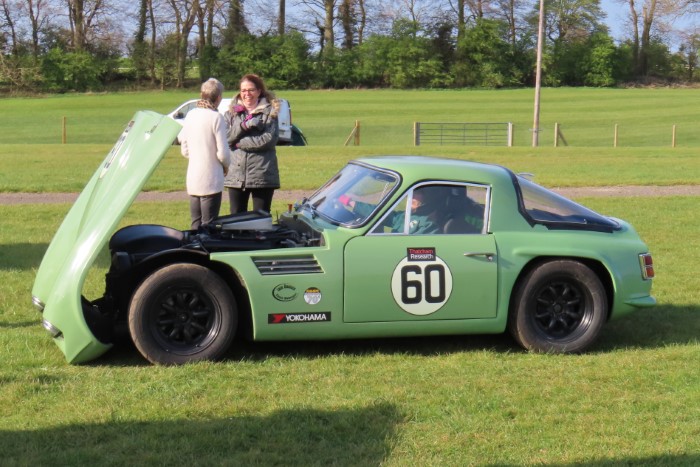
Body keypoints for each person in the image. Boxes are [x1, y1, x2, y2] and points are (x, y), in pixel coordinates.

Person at [177, 77, 231, 230]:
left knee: (195, 223)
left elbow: (184, 148)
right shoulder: (216, 117)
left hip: (193, 178)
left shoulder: (191, 115)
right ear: (218, 97)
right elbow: (223, 153)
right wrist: (226, 165)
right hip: (211, 178)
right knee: (209, 225)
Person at [224, 74, 280, 214]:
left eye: (251, 90)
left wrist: (238, 144)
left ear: (259, 91)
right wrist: (243, 126)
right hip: (236, 175)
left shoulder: (270, 113)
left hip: (262, 174)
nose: (247, 94)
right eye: (243, 90)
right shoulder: (231, 113)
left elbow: (268, 140)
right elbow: (225, 138)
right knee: (236, 219)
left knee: (260, 220)